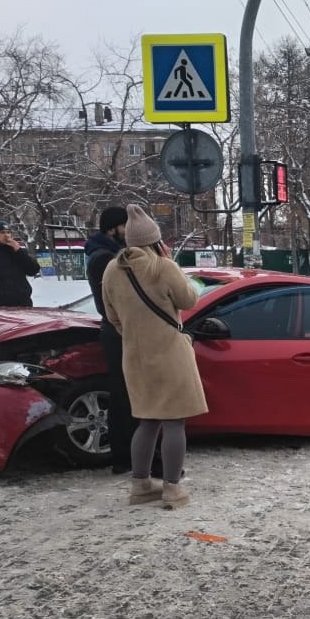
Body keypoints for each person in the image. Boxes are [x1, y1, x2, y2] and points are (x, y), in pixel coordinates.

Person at [101, 205, 207, 509]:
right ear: (155, 240)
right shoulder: (163, 267)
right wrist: (177, 270)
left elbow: (113, 317)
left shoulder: (112, 269)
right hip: (170, 354)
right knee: (174, 423)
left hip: (135, 356)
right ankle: (173, 489)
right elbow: (188, 299)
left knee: (146, 422)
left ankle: (141, 485)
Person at [85, 207, 134, 474]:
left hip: (117, 331)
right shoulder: (104, 259)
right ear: (113, 228)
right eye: (125, 226)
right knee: (124, 396)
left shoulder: (103, 254)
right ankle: (124, 457)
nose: (128, 231)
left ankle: (126, 457)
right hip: (119, 333)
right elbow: (115, 302)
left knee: (124, 395)